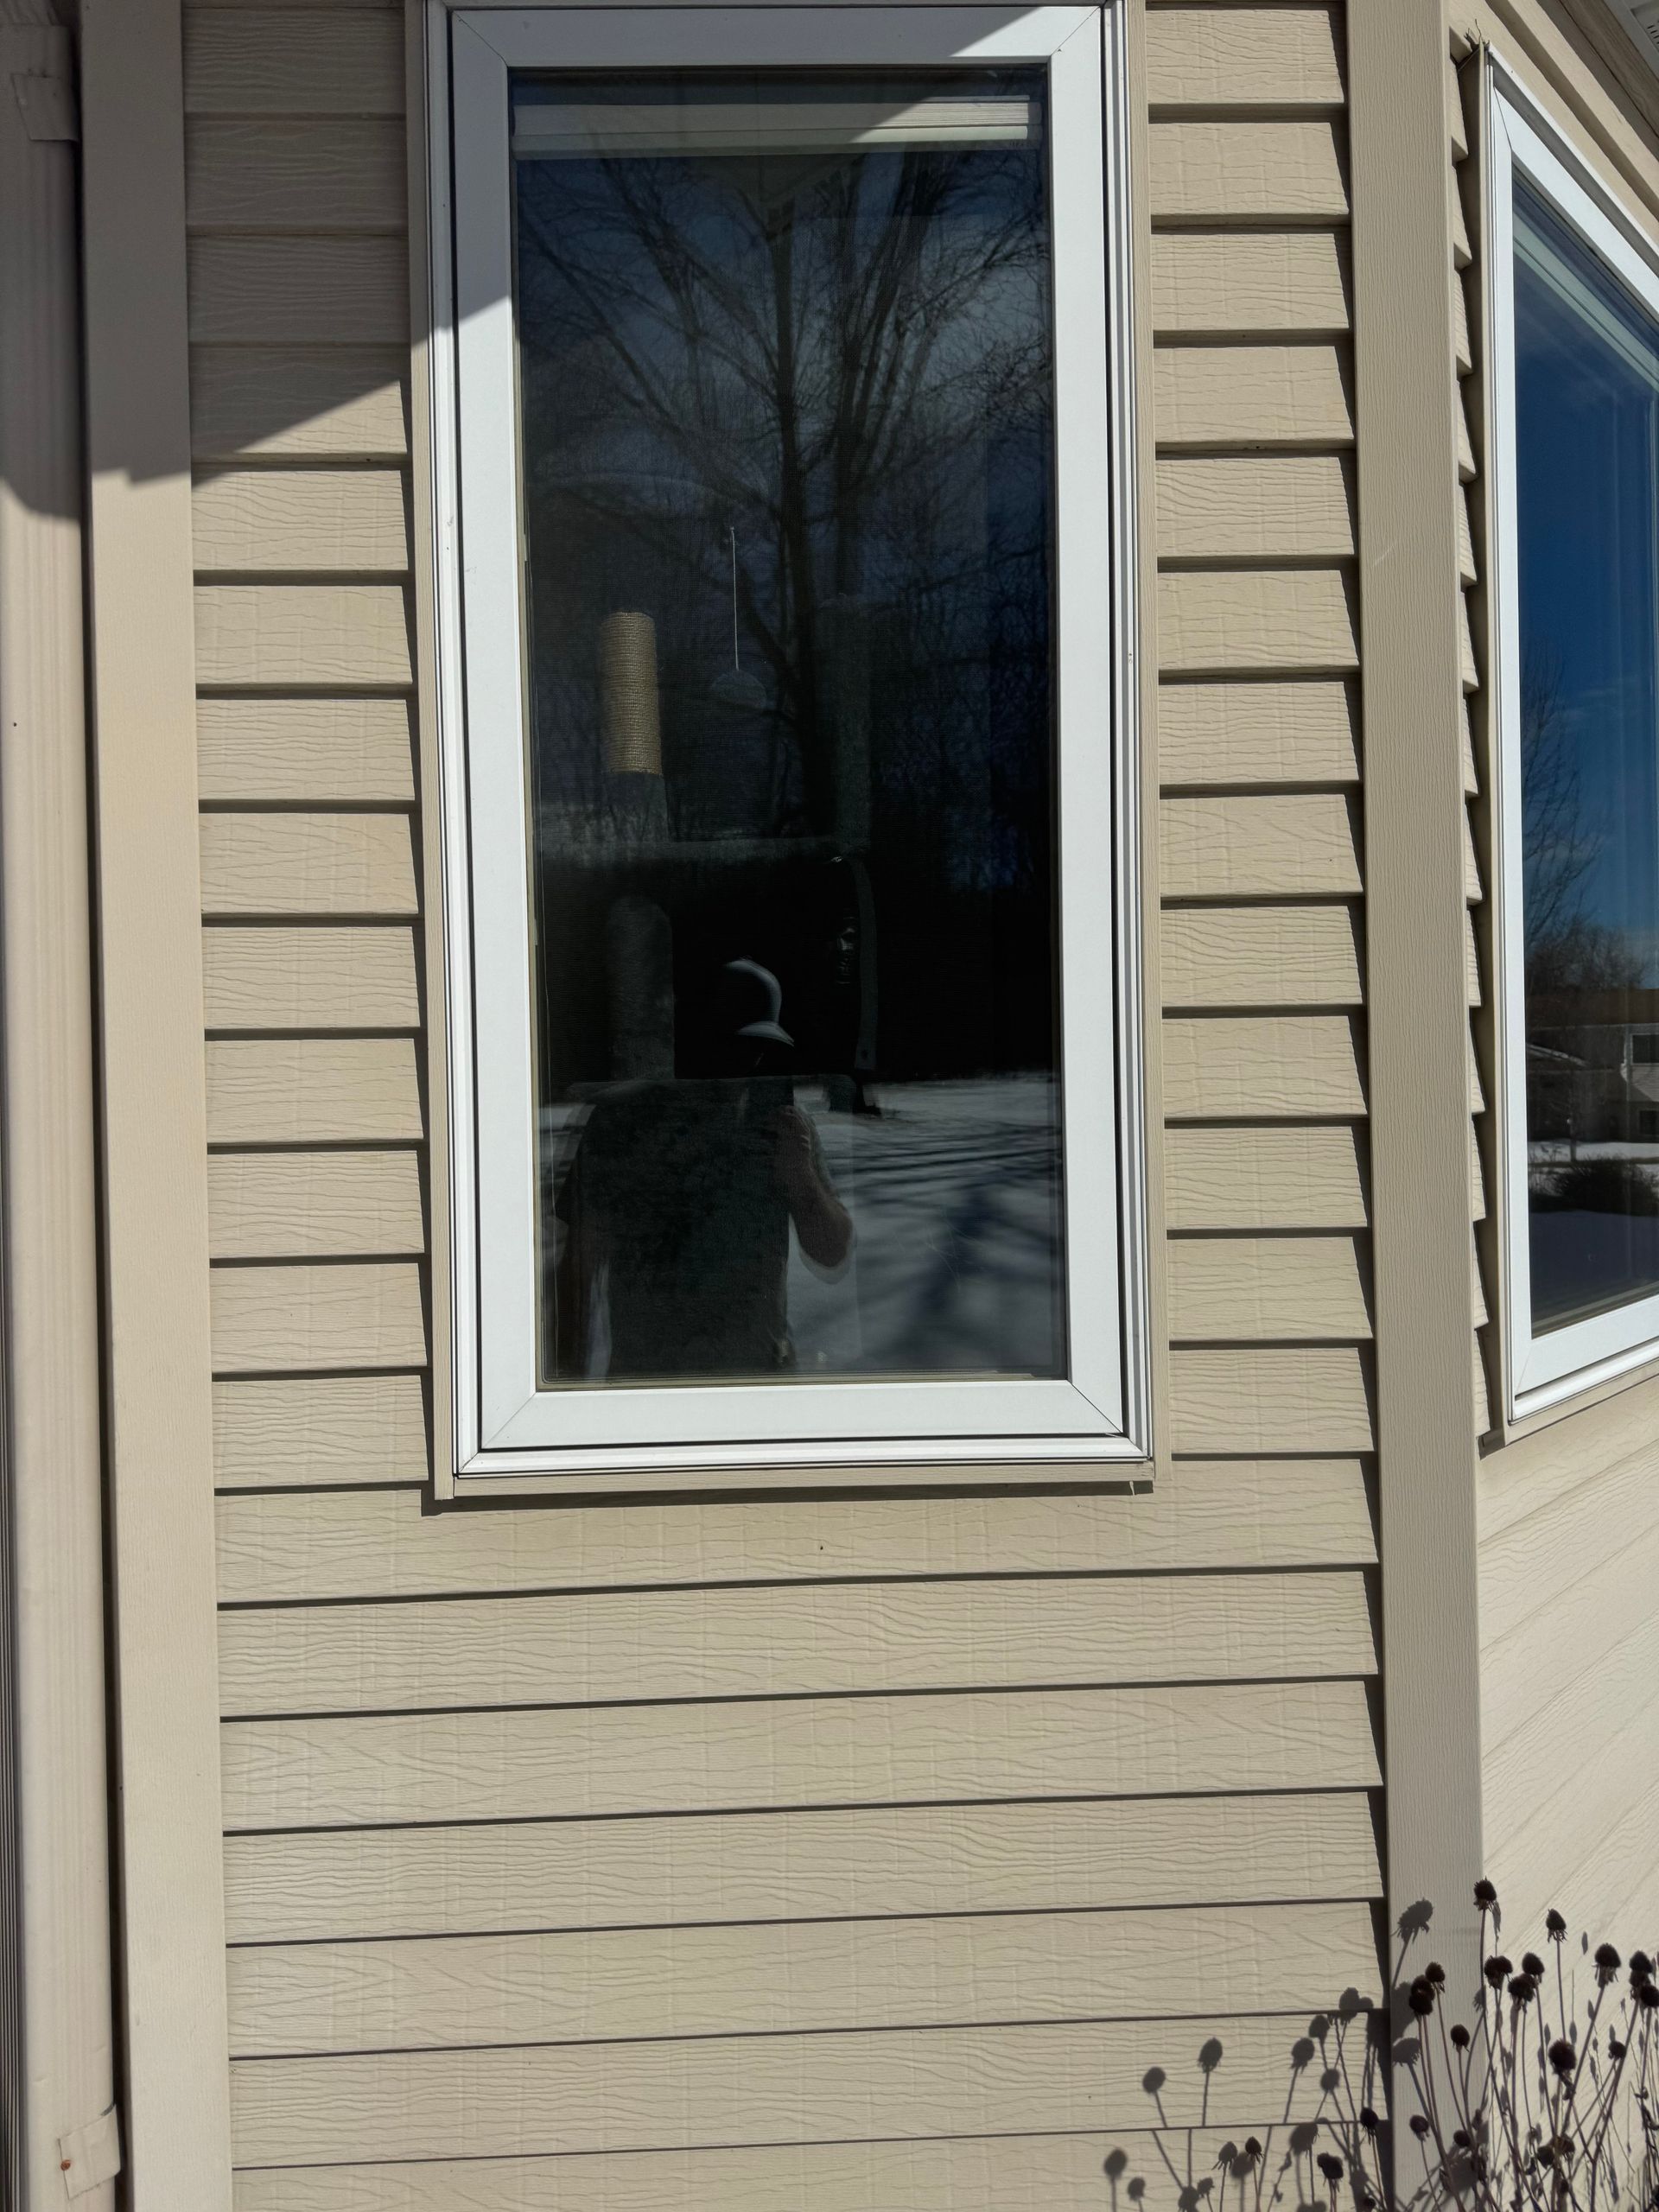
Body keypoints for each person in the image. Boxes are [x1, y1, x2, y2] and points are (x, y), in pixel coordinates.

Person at [559, 958, 852, 1380]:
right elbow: (577, 1272)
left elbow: (832, 1253)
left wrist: (802, 1180)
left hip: (762, 1379)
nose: (745, 1063)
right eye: (729, 1045)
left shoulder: (784, 1127)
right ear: (691, 1036)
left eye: (759, 1047)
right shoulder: (622, 1124)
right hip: (651, 1384)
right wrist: (565, 1388)